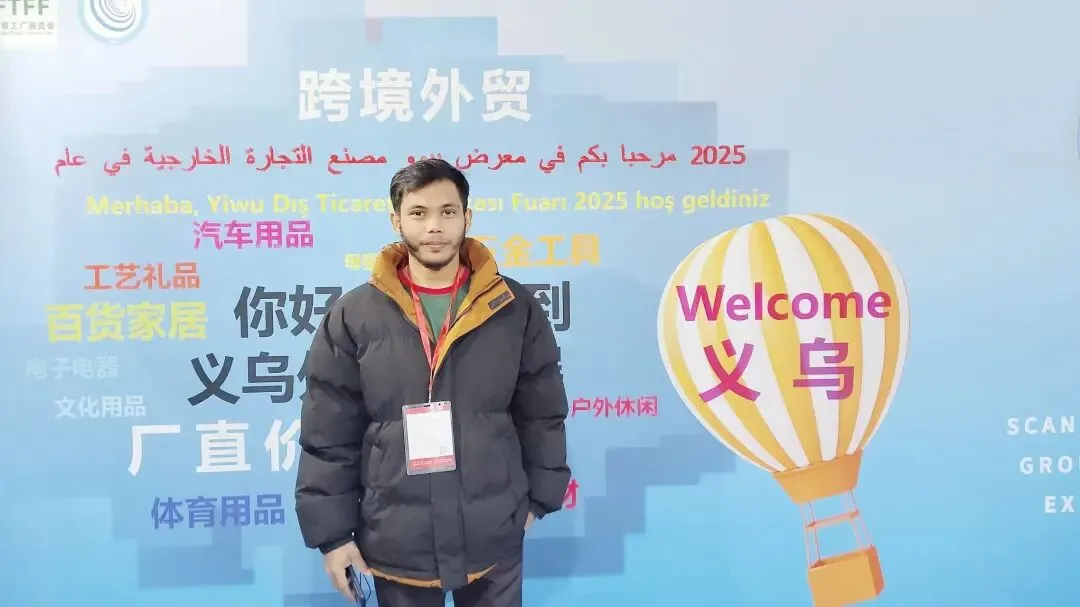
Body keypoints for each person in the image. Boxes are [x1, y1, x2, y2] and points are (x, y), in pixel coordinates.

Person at [294, 158, 571, 607]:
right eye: (419, 213)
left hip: (493, 534)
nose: (434, 226)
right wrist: (332, 535)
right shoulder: (354, 315)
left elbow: (542, 412)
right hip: (395, 538)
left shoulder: (512, 307)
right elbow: (328, 432)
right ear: (396, 220)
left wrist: (539, 498)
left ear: (467, 217)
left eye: (448, 211)